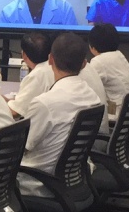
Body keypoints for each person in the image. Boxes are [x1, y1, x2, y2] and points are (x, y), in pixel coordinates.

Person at [18, 33, 104, 196]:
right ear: (84, 64)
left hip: (40, 181)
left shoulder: (45, 103)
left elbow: (23, 146)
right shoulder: (92, 97)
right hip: (73, 177)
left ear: (50, 59)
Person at [7, 33, 109, 123]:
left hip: (68, 136)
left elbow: (16, 112)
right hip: (94, 134)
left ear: (51, 58)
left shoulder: (43, 73)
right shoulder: (86, 71)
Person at [87, 23, 129, 114]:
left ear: (92, 47)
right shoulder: (118, 55)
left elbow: (87, 88)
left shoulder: (98, 61)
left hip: (117, 113)